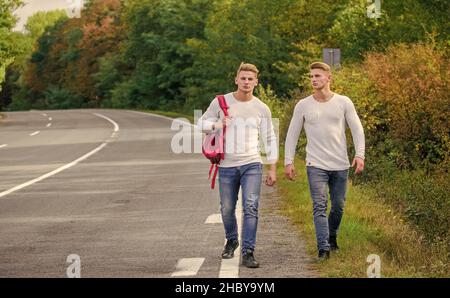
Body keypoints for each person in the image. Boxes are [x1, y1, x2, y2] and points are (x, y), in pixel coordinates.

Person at [198, 62, 278, 268]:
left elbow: (269, 138)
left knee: (251, 207)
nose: (246, 82)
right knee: (226, 208)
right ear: (236, 80)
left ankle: (248, 251)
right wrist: (218, 124)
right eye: (243, 78)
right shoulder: (221, 102)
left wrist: (272, 167)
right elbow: (201, 124)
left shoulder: (261, 108)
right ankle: (232, 240)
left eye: (250, 79)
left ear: (256, 82)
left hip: (252, 164)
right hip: (226, 165)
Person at [284, 62, 365, 260]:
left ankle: (332, 236)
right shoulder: (303, 105)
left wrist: (360, 154)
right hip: (315, 164)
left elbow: (357, 128)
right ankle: (323, 248)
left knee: (338, 206)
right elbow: (292, 134)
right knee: (319, 205)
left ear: (329, 78)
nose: (313, 79)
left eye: (318, 76)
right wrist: (288, 161)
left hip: (340, 164)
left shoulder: (343, 102)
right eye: (311, 76)